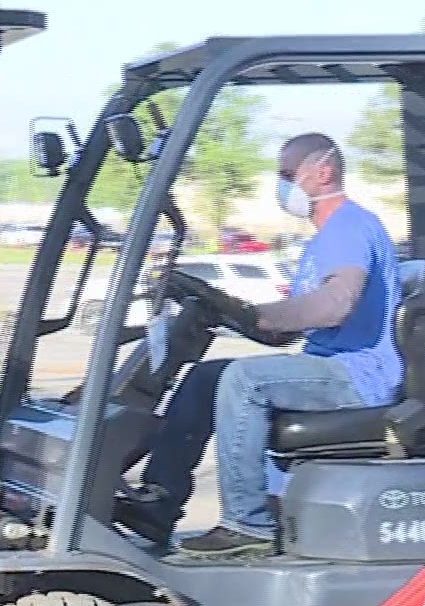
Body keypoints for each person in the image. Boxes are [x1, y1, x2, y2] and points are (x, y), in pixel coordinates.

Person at [126, 132, 403, 559]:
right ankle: (158, 505)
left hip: (358, 375)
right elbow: (286, 329)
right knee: (205, 377)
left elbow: (336, 304)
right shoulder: (321, 241)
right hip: (326, 366)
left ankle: (247, 524)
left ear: (324, 172)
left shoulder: (349, 226)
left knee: (245, 380)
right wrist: (227, 308)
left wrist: (257, 314)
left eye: (288, 175)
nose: (281, 186)